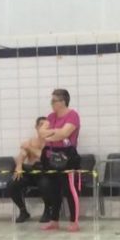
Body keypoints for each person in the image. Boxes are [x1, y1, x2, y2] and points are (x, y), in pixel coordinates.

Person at [39, 89, 81, 232]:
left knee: (69, 189)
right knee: (53, 190)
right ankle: (54, 220)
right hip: (51, 155)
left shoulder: (73, 115)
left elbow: (64, 133)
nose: (51, 104)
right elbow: (41, 133)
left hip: (67, 156)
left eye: (53, 101)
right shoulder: (51, 116)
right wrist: (55, 133)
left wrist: (52, 134)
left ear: (62, 102)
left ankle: (74, 221)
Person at [7, 116, 47, 224]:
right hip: (31, 173)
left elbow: (44, 156)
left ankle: (48, 211)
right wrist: (19, 166)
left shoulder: (52, 142)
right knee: (12, 184)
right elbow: (21, 156)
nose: (43, 127)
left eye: (46, 125)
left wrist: (29, 148)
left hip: (45, 174)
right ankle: (23, 211)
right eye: (41, 125)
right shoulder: (31, 141)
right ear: (36, 127)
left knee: (46, 184)